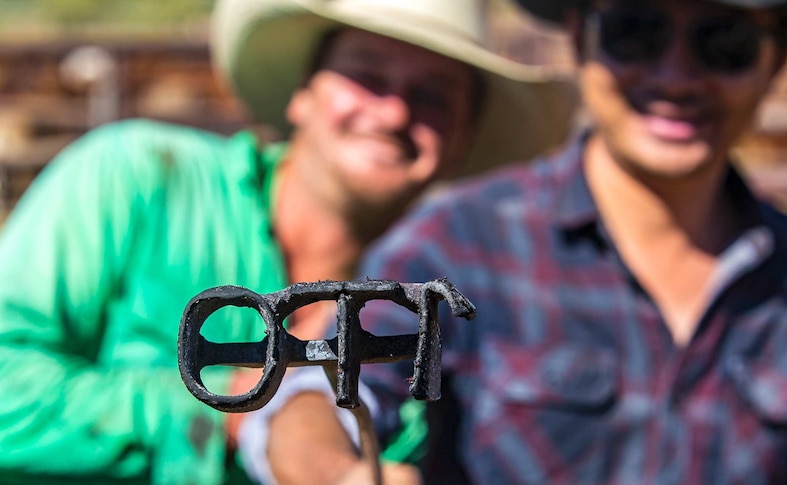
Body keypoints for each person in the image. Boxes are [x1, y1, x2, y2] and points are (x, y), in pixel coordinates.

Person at [261, 0, 787, 483]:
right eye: (635, 31)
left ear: (778, 57)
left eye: (723, 43)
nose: (676, 76)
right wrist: (336, 472)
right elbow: (327, 386)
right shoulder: (462, 242)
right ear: (581, 38)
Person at [0, 0, 577, 482]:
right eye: (369, 76)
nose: (395, 111)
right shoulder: (138, 179)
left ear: (461, 137)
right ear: (302, 94)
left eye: (433, 96)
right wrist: (223, 410)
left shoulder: (450, 308)